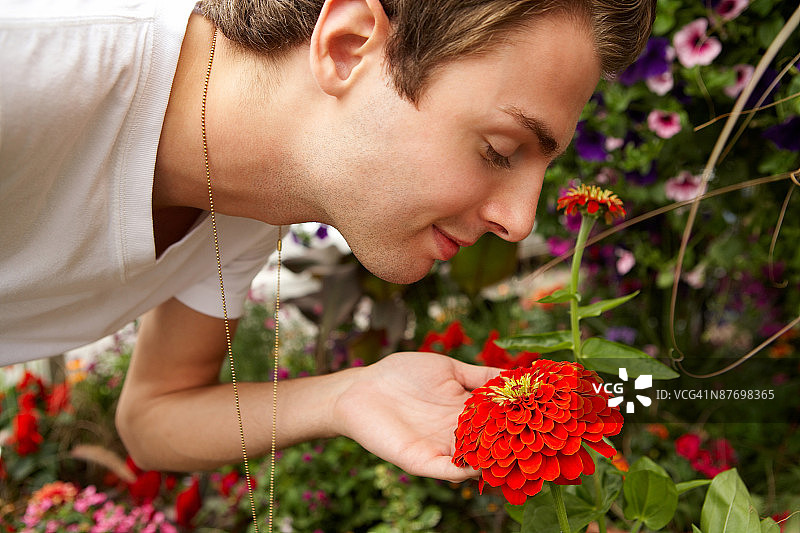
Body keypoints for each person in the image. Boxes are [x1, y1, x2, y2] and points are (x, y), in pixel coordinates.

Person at [0, 0, 655, 481]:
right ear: (347, 45)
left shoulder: (253, 195)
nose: (520, 221)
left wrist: (348, 396)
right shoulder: (30, 67)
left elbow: (153, 415)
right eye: (499, 148)